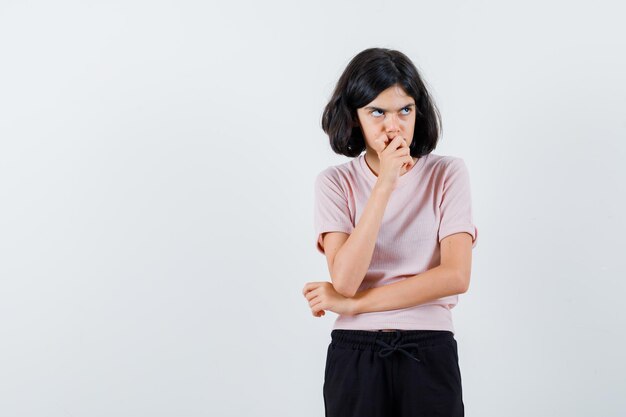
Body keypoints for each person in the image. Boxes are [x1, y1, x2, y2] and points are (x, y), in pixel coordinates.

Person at [302, 47, 478, 417]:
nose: (393, 125)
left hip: (429, 350)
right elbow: (346, 279)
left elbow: (456, 275)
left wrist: (355, 305)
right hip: (355, 352)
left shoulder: (448, 174)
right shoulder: (335, 183)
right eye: (377, 112)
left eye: (405, 110)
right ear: (354, 118)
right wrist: (385, 183)